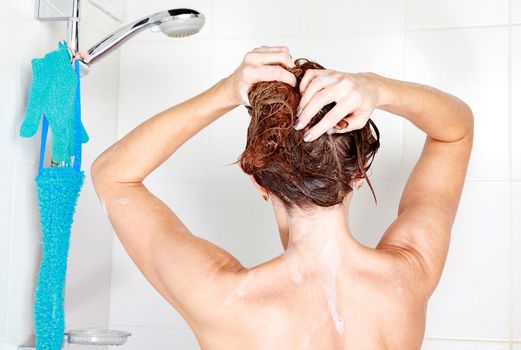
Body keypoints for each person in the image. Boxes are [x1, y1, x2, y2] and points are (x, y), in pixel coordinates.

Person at [91, 45, 474, 349]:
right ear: (358, 175)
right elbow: (454, 130)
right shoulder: (409, 275)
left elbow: (113, 177)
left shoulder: (225, 301)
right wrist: (376, 87)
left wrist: (225, 92)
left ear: (259, 183)